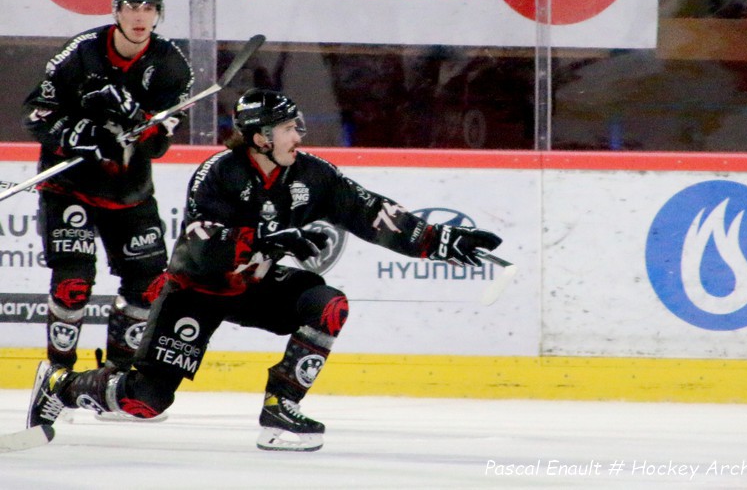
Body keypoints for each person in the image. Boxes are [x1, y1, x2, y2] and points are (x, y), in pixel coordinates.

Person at [26, 88, 503, 452]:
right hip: (197, 292)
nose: (300, 135)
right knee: (144, 401)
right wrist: (269, 240)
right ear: (260, 136)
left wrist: (443, 239)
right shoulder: (220, 173)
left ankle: (281, 408)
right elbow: (197, 251)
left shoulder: (310, 173)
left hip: (255, 285)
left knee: (328, 306)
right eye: (289, 128)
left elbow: (371, 211)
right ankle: (60, 385)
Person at [22, 0, 193, 374]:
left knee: (149, 283)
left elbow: (157, 144)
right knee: (73, 283)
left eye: (149, 7)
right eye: (131, 6)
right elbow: (35, 112)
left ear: (159, 13)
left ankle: (116, 376)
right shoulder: (80, 53)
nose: (140, 16)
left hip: (128, 192)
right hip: (70, 186)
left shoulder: (171, 65)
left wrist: (134, 114)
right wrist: (79, 131)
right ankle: (58, 373)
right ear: (116, 9)